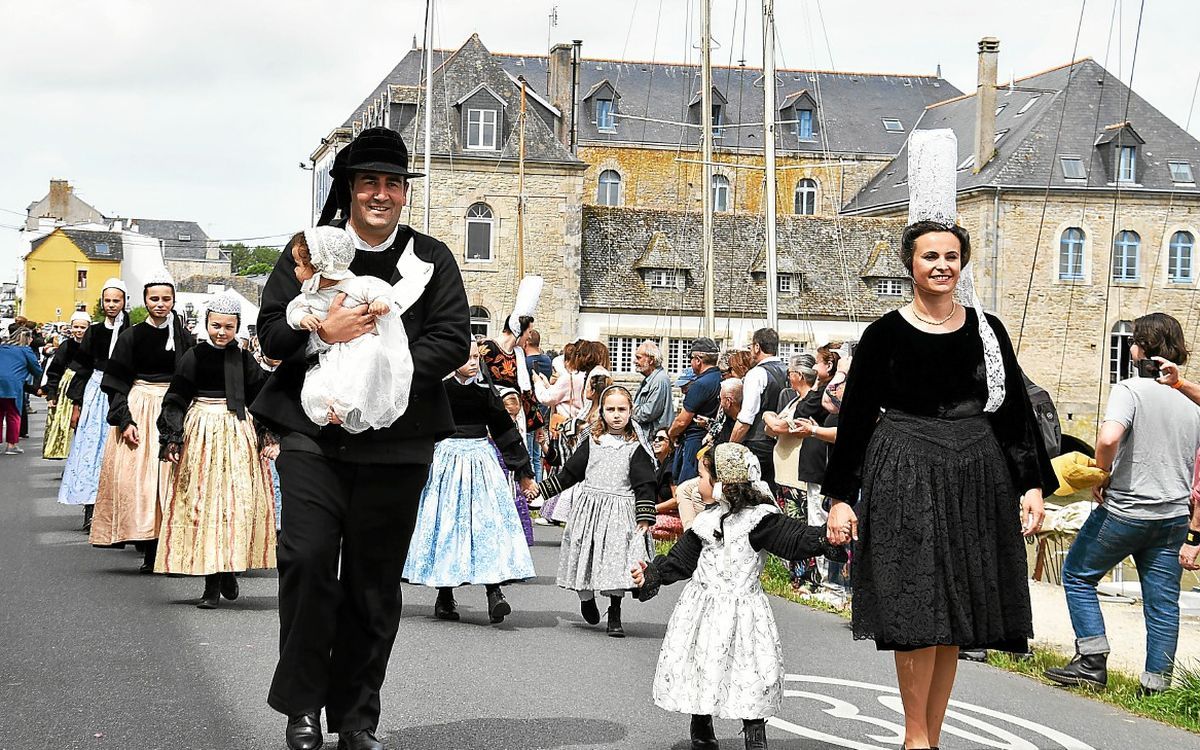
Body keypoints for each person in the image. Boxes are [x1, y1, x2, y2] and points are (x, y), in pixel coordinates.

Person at [823, 126, 1051, 750]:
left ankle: (934, 734)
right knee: (914, 610)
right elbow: (855, 421)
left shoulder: (988, 329)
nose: (942, 266)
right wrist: (842, 496)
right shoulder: (882, 337)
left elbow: (1013, 416)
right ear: (911, 264)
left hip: (974, 471)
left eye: (951, 257)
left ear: (962, 264)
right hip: (904, 470)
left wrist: (1030, 485)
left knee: (954, 614)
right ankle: (913, 735)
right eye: (931, 256)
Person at [254, 126, 469, 750]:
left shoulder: (432, 259)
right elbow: (273, 334)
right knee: (308, 558)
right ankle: (302, 708)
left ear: (404, 194)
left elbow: (452, 339)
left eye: (392, 184)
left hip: (398, 442)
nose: (381, 194)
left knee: (373, 586)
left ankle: (355, 720)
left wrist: (379, 374)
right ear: (348, 190)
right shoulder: (307, 252)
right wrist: (328, 333)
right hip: (312, 435)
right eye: (369, 182)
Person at [631, 442, 845, 750]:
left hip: (745, 610)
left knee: (752, 668)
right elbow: (680, 561)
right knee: (703, 664)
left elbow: (793, 539)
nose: (697, 483)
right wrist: (651, 574)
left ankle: (754, 728)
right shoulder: (705, 521)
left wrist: (825, 537)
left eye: (702, 476)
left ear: (723, 483)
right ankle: (702, 721)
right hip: (703, 609)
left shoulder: (759, 519)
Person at [1044, 312, 1200, 694]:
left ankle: (1092, 661)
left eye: (1133, 340)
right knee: (1163, 604)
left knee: (1078, 575)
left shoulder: (1128, 389)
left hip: (1128, 510)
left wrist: (1102, 472)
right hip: (1173, 516)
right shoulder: (1191, 401)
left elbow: (1110, 437)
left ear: (1143, 347)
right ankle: (1156, 686)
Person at [155, 293, 277, 608]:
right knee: (203, 505)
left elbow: (259, 397)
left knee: (235, 505)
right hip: (202, 432)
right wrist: (172, 436)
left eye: (227, 327)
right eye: (215, 326)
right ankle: (211, 583)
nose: (221, 332)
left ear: (237, 327)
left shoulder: (244, 359)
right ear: (207, 323)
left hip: (237, 432)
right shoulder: (193, 357)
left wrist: (267, 434)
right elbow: (177, 396)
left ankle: (228, 568)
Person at [403, 340, 536, 625]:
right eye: (469, 357)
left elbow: (503, 429)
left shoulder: (487, 392)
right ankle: (445, 594)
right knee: (447, 524)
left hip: (480, 459)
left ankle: (494, 592)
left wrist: (523, 471)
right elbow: (421, 427)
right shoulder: (439, 390)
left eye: (477, 357)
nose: (475, 361)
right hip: (446, 459)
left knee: (488, 523)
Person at [529, 385, 656, 638]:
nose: (616, 415)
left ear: (631, 411)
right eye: (611, 409)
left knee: (616, 559)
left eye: (622, 409)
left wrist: (644, 516)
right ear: (602, 412)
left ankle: (615, 612)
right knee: (583, 551)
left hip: (621, 510)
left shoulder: (635, 447)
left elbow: (645, 483)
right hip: (590, 509)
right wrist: (540, 490)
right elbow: (569, 473)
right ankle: (586, 596)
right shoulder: (592, 441)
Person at [90, 270, 196, 572]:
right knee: (142, 482)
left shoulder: (184, 338)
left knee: (172, 480)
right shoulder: (131, 336)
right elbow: (116, 382)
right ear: (145, 301)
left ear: (174, 300)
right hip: (140, 408)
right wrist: (125, 420)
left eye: (166, 299)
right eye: (154, 299)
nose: (160, 304)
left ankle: (172, 547)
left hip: (174, 408)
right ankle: (148, 546)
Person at [287, 225, 415, 433]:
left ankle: (345, 410)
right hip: (332, 353)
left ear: (319, 267)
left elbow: (382, 293)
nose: (295, 270)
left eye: (299, 264)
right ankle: (325, 407)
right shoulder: (311, 295)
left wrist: (380, 303)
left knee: (362, 373)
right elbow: (294, 309)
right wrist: (302, 319)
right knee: (318, 382)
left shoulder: (356, 285)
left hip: (360, 347)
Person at [59, 279, 128, 529]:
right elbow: (83, 368)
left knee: (118, 451)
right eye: (107, 300)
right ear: (102, 302)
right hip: (96, 392)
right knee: (91, 451)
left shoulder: (131, 329)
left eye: (116, 300)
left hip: (122, 392)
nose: (111, 305)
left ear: (124, 302)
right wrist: (77, 406)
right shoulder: (95, 331)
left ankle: (119, 512)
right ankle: (90, 510)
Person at [730, 329, 788, 491]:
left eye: (750, 347)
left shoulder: (756, 374)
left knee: (756, 493)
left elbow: (746, 417)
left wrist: (731, 445)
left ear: (757, 347)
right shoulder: (788, 371)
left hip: (759, 441)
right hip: (784, 440)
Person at [668, 337, 722, 483]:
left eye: (691, 358)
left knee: (688, 486)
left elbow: (681, 421)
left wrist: (671, 434)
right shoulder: (721, 378)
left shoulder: (700, 384)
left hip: (695, 441)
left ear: (698, 360)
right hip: (712, 440)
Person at [41, 311, 91, 460]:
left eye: (83, 327)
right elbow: (55, 370)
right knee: (69, 424)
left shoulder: (94, 346)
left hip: (89, 386)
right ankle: (70, 457)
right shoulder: (66, 346)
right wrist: (51, 393)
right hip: (68, 388)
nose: (79, 330)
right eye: (76, 327)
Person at [0, 328, 41, 454]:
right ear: (28, 338)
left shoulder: (2, 348)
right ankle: (11, 446)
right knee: (13, 414)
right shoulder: (25, 350)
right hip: (12, 385)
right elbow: (37, 370)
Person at [521, 327, 553, 483]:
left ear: (527, 342)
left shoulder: (525, 362)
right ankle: (539, 488)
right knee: (537, 454)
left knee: (528, 454)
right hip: (543, 409)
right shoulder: (547, 360)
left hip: (529, 412)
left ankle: (530, 490)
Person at [632, 340, 673, 441]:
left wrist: (628, 411)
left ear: (651, 360)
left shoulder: (659, 380)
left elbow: (648, 413)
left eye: (639, 358)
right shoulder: (651, 379)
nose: (635, 361)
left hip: (653, 438)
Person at [649, 427, 680, 540]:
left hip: (676, 516)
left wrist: (654, 508)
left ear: (671, 446)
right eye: (654, 438)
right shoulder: (657, 467)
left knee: (647, 528)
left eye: (661, 438)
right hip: (661, 514)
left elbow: (677, 500)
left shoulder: (671, 467)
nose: (656, 441)